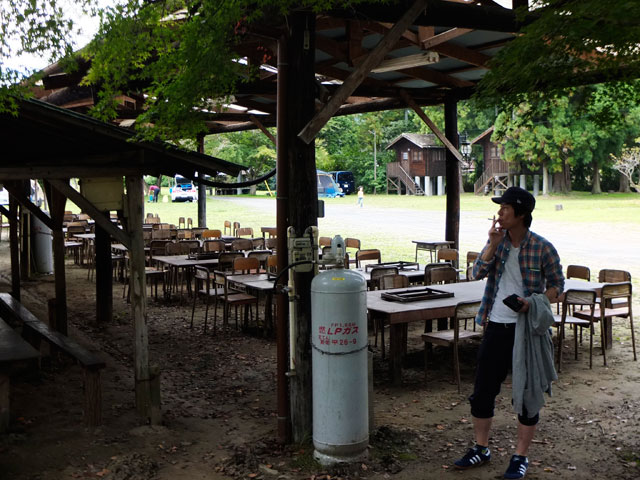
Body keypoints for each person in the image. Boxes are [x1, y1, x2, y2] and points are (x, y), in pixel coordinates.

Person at [454, 186, 564, 479]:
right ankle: (481, 448)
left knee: (528, 394)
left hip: (526, 331)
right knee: (482, 392)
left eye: (505, 208)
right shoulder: (498, 242)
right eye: (499, 208)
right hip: (496, 325)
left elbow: (557, 286)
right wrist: (492, 244)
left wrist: (533, 302)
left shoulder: (542, 247)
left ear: (521, 214)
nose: (499, 214)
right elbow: (475, 273)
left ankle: (520, 456)